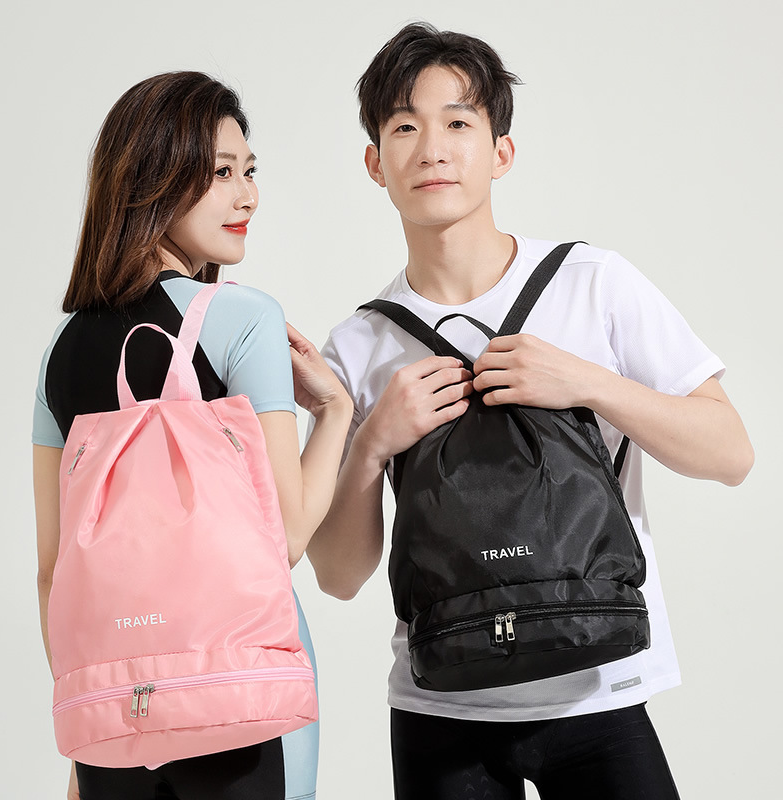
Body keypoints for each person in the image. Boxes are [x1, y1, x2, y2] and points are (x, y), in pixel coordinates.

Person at [306, 22, 754, 800]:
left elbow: (731, 453)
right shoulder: (358, 344)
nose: (432, 149)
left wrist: (588, 383)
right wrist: (374, 442)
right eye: (404, 127)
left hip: (600, 691)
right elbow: (339, 577)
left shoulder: (594, 283)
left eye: (458, 123)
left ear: (501, 152)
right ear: (375, 163)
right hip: (440, 708)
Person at [32, 71, 353, 800]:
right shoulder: (241, 317)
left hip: (113, 715)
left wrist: (90, 736)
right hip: (239, 696)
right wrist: (335, 412)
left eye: (250, 172)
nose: (247, 197)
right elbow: (285, 536)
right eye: (220, 173)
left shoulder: (60, 350)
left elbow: (53, 572)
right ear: (153, 179)